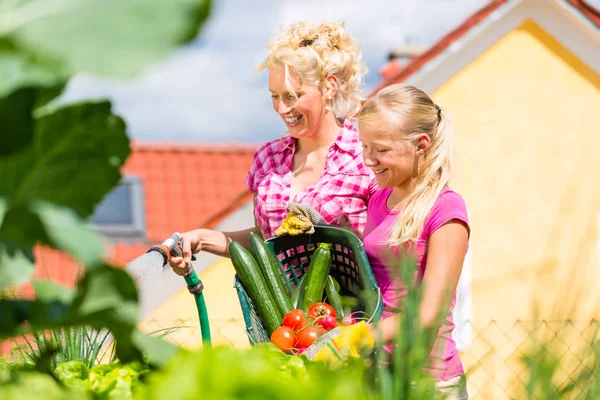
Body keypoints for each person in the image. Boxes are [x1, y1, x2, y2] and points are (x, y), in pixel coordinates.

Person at [168, 21, 376, 275]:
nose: (281, 108)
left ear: (329, 87)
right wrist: (201, 239)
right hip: (283, 313)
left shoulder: (365, 155)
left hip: (354, 310)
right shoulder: (268, 160)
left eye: (292, 96)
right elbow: (265, 239)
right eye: (274, 96)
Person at [358, 84, 470, 399]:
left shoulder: (446, 208)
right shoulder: (378, 200)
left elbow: (429, 312)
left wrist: (361, 337)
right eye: (364, 146)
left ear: (421, 144)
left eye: (380, 149)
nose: (369, 159)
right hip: (380, 374)